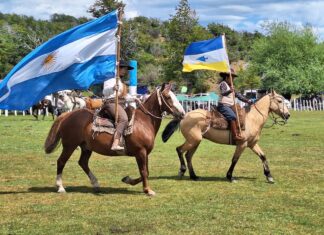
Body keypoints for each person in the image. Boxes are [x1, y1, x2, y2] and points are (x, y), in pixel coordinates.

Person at [102, 60, 135, 151]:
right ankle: (115, 143)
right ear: (118, 69)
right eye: (124, 69)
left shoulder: (122, 83)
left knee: (133, 112)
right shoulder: (111, 79)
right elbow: (104, 92)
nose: (125, 71)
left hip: (121, 104)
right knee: (123, 119)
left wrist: (134, 98)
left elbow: (124, 96)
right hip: (111, 103)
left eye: (126, 69)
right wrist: (112, 88)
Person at [217, 68, 252, 141]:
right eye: (231, 77)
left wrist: (247, 100)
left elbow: (238, 96)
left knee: (241, 115)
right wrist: (230, 90)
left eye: (233, 77)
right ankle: (235, 136)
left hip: (231, 106)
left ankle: (240, 131)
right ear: (227, 77)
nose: (233, 79)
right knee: (232, 116)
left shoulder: (231, 86)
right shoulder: (223, 84)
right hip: (223, 105)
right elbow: (223, 93)